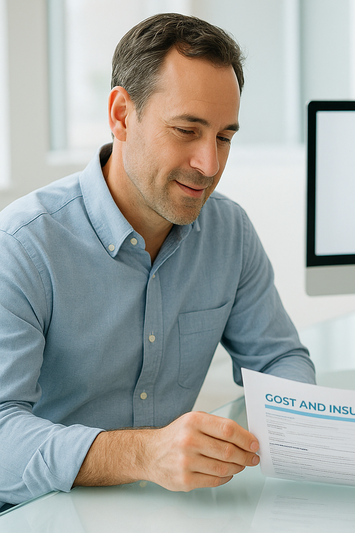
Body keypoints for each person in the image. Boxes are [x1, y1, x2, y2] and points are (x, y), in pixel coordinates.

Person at [0, 13, 314, 508]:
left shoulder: (228, 232)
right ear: (122, 115)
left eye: (224, 137)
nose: (210, 165)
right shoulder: (22, 246)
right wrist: (143, 455)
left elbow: (278, 358)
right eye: (186, 130)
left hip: (165, 510)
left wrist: (299, 427)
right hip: (42, 513)